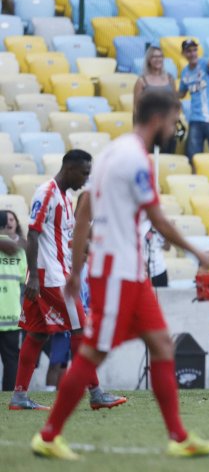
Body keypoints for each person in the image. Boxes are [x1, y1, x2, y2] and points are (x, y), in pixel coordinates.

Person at [30, 92, 209, 460]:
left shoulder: (111, 154)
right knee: (93, 352)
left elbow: (84, 213)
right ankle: (49, 436)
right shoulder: (137, 159)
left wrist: (75, 268)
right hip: (117, 274)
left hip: (129, 273)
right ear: (160, 118)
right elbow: (158, 219)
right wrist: (197, 251)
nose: (174, 128)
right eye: (172, 120)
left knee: (163, 346)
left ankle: (179, 436)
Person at [10, 150, 125, 413]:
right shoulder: (46, 193)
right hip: (51, 279)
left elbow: (66, 240)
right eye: (84, 173)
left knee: (37, 334)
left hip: (51, 276)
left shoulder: (66, 198)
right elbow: (33, 235)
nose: (85, 179)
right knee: (80, 331)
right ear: (70, 168)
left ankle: (19, 396)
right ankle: (96, 393)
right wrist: (35, 278)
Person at [178, 39, 209, 165]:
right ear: (183, 54)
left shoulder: (205, 64)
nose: (193, 53)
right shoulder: (185, 72)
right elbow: (181, 93)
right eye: (189, 51)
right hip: (196, 120)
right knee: (191, 159)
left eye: (194, 50)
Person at [134, 46, 179, 153]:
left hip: (166, 128)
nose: (158, 59)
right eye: (154, 56)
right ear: (149, 60)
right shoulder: (141, 81)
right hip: (149, 129)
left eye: (160, 56)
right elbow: (136, 107)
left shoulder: (170, 78)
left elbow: (175, 102)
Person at [0, 210, 25, 391]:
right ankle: (9, 397)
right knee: (11, 362)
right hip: (10, 317)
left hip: (10, 317)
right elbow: (24, 277)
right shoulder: (17, 250)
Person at [141, 216, 169, 289]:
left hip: (159, 271)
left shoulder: (157, 223)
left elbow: (167, 248)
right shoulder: (133, 224)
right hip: (141, 272)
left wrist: (167, 235)